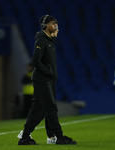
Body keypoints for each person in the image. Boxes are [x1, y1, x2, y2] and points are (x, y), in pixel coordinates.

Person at [17, 15, 77, 145]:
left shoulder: (49, 41)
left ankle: (28, 136)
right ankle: (59, 137)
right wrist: (48, 72)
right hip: (43, 79)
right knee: (51, 108)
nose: (56, 27)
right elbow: (35, 61)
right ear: (46, 25)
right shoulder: (41, 40)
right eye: (54, 24)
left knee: (39, 109)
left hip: (46, 80)